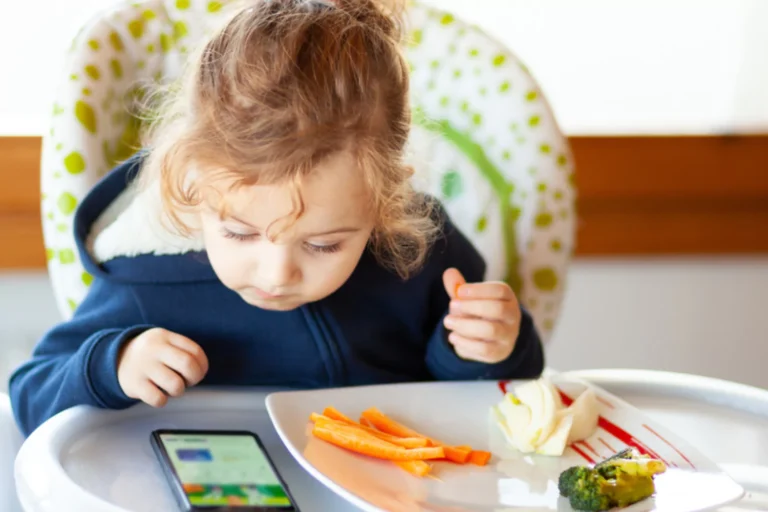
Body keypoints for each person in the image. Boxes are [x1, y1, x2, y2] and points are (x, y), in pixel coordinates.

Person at [10, 0, 543, 436]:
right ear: (193, 181)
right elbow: (30, 395)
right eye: (239, 232)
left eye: (324, 245)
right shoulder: (147, 278)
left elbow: (498, 399)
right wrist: (114, 363)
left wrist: (485, 347)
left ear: (386, 197)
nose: (275, 274)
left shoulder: (424, 251)